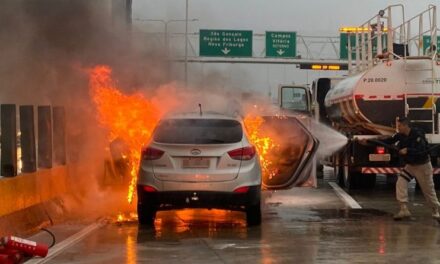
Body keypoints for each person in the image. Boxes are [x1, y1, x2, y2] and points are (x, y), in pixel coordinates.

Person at [363, 117, 440, 220]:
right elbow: (388, 141)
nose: (397, 128)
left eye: (399, 126)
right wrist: (369, 142)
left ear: (405, 125)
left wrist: (408, 150)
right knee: (401, 182)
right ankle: (404, 209)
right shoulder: (400, 135)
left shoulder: (418, 134)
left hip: (422, 166)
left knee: (428, 191)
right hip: (411, 166)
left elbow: (422, 150)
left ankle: (436, 210)